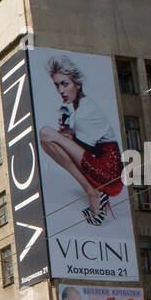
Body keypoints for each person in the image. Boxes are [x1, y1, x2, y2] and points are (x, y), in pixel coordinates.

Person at [37, 54, 124, 226]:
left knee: (46, 133)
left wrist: (68, 138)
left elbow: (90, 149)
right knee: (48, 141)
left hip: (109, 173)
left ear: (77, 84)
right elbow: (88, 146)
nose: (61, 91)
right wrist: (71, 136)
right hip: (106, 170)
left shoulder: (85, 112)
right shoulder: (81, 107)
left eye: (65, 84)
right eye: (57, 86)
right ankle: (94, 192)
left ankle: (92, 193)